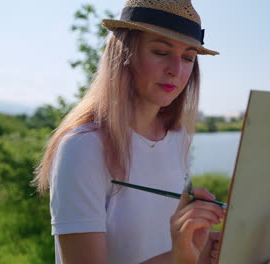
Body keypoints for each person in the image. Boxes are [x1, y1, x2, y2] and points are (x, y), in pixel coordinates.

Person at [32, 0, 225, 263]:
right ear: (123, 54)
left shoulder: (177, 136)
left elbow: (161, 244)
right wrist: (178, 258)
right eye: (160, 51)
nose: (176, 70)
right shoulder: (83, 146)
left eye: (188, 57)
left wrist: (199, 248)